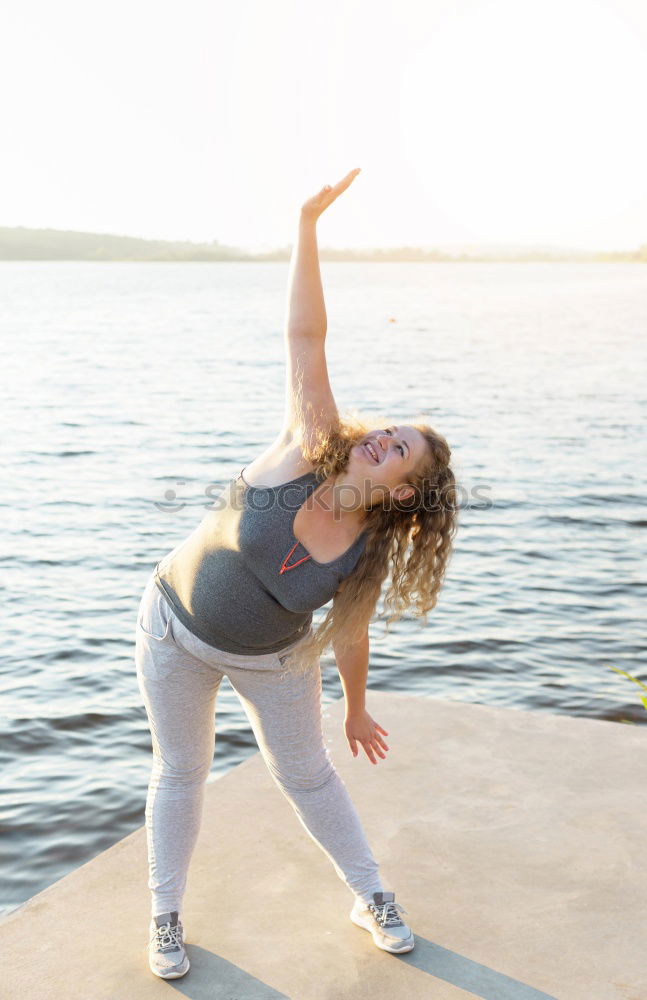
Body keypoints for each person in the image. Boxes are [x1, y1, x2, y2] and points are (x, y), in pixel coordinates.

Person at [136, 167, 458, 979]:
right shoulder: (307, 442)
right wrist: (306, 223)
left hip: (274, 660)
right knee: (182, 770)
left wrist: (354, 708)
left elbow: (346, 636)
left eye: (396, 450)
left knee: (308, 776)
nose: (377, 439)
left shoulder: (368, 553)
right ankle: (164, 917)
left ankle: (371, 894)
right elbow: (306, 337)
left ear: (404, 490)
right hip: (173, 627)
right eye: (384, 430)